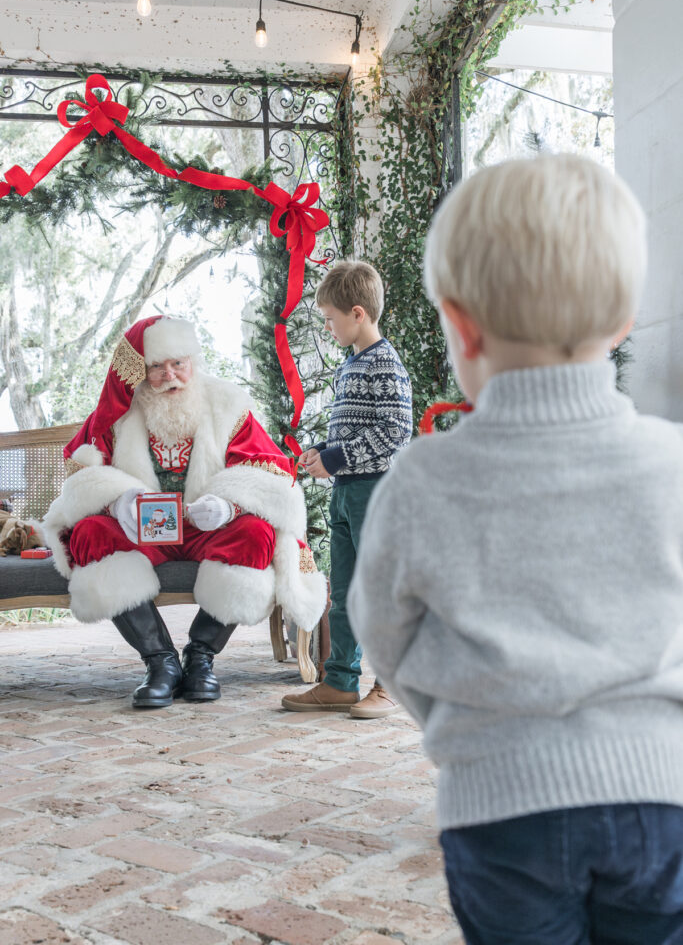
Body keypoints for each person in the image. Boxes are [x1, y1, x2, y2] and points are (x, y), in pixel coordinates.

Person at [348, 155, 683, 942]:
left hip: (500, 807)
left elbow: (382, 632)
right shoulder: (670, 463)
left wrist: (464, 718)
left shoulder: (424, 476)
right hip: (661, 799)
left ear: (460, 324)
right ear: (622, 321)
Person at [43, 315, 326, 708]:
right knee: (89, 532)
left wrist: (228, 505)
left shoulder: (227, 405)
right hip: (140, 533)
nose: (169, 375)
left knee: (256, 534)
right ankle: (160, 663)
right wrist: (116, 500)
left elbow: (271, 473)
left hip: (205, 530)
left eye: (178, 363)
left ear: (193, 361)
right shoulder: (118, 413)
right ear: (139, 371)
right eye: (156, 367)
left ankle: (200, 658)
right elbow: (79, 477)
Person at [281, 260, 413, 719]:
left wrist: (336, 458)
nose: (327, 326)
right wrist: (323, 453)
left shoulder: (385, 363)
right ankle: (340, 680)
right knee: (346, 589)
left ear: (358, 314)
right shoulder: (352, 365)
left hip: (375, 491)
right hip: (346, 490)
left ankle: (391, 683)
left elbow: (396, 429)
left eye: (330, 318)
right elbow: (355, 429)